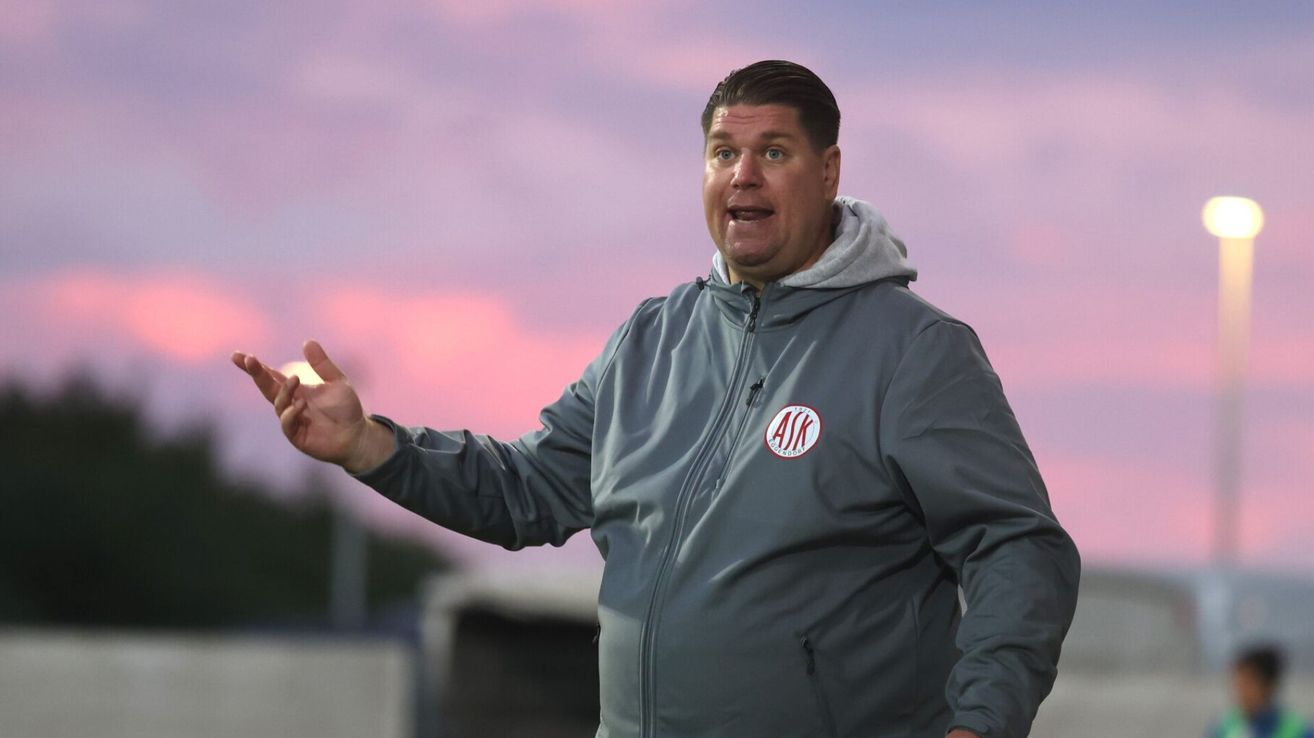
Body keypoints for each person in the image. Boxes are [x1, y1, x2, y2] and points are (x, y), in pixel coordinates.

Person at [233, 60, 1080, 737]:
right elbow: (529, 489)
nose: (743, 175)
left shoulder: (911, 350)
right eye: (722, 152)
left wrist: (982, 723)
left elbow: (1019, 549)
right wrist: (372, 447)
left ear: (827, 174)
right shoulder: (651, 339)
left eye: (773, 153)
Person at [1208, 644, 1312, 738]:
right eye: (1237, 682)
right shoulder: (1223, 728)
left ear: (1268, 686)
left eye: (1247, 683)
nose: (1240, 690)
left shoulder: (1299, 731)